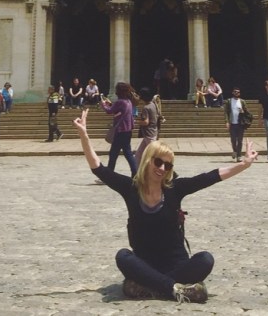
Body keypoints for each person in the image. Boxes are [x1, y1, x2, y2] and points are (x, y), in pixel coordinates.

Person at [73, 108, 258, 302]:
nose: (162, 168)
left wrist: (243, 165)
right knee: (123, 256)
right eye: (158, 162)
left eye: (167, 165)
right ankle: (177, 289)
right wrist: (84, 135)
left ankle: (152, 287)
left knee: (205, 259)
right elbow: (98, 169)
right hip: (145, 264)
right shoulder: (131, 188)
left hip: (176, 265)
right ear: (148, 160)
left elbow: (210, 177)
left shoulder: (175, 188)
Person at [100, 82, 137, 175]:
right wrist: (111, 104)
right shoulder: (128, 101)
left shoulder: (120, 102)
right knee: (127, 153)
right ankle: (135, 172)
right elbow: (118, 110)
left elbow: (109, 111)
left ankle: (109, 174)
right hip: (128, 130)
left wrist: (103, 104)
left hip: (120, 131)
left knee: (114, 153)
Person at [224, 86, 252, 162]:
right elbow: (226, 112)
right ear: (233, 92)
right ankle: (235, 151)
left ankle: (239, 155)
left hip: (240, 123)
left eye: (238, 92)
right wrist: (227, 121)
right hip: (232, 123)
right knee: (233, 139)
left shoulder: (242, 101)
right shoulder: (229, 101)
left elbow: (247, 112)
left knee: (240, 140)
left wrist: (243, 111)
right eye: (235, 92)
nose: (237, 93)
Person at [134, 87, 159, 163]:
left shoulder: (146, 108)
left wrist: (136, 121)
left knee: (154, 155)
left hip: (149, 133)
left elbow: (146, 122)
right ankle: (137, 171)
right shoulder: (153, 104)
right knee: (139, 154)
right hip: (152, 132)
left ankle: (171, 170)